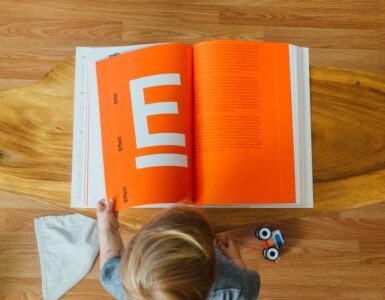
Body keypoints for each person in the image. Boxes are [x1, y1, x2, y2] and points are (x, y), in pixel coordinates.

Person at [97, 198, 260, 300]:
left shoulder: (127, 286)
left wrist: (107, 229)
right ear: (212, 269)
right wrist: (234, 259)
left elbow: (109, 268)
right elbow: (248, 287)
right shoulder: (233, 288)